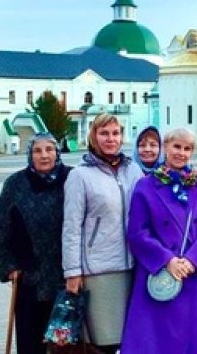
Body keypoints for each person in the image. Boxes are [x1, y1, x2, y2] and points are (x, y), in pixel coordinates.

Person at [122, 128, 197, 354]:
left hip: (192, 274)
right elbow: (138, 231)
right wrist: (167, 260)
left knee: (191, 337)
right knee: (157, 339)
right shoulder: (145, 186)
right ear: (165, 148)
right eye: (177, 146)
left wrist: (192, 259)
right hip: (159, 273)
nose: (181, 153)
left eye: (187, 149)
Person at [62, 114, 143, 353]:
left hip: (134, 267)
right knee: (104, 341)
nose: (111, 139)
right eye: (104, 133)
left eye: (115, 133)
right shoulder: (80, 175)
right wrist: (72, 271)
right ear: (94, 136)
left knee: (130, 339)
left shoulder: (133, 170)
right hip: (100, 270)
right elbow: (72, 226)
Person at [0, 133, 71, 354]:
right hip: (29, 279)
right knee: (30, 343)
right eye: (37, 150)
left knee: (67, 345)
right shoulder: (16, 184)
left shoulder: (72, 179)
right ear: (30, 155)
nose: (44, 155)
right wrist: (8, 267)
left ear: (57, 152)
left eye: (49, 149)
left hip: (67, 278)